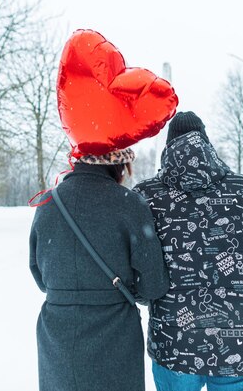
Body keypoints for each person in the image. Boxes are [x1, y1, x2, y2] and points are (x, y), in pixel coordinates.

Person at [133, 111, 243, 391]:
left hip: (174, 347)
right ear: (208, 146)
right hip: (241, 347)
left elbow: (137, 275)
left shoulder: (147, 197)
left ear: (168, 148)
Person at [29, 148, 170, 391]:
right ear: (121, 164)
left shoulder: (47, 203)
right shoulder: (129, 204)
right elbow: (153, 286)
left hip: (58, 336)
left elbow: (40, 277)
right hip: (114, 338)